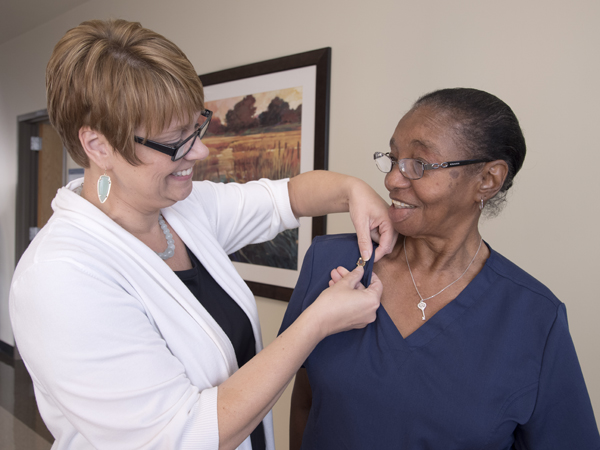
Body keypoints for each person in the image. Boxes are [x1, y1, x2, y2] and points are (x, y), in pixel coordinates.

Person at [8, 19, 395, 450]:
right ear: (99, 147)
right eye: (175, 141)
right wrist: (317, 322)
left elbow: (286, 197)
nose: (201, 151)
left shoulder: (182, 208)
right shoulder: (61, 279)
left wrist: (352, 191)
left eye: (197, 127)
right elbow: (181, 437)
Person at [280, 88, 600, 449]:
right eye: (394, 157)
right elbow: (306, 402)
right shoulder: (330, 262)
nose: (392, 180)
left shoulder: (536, 319)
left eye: (419, 164)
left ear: (488, 180)